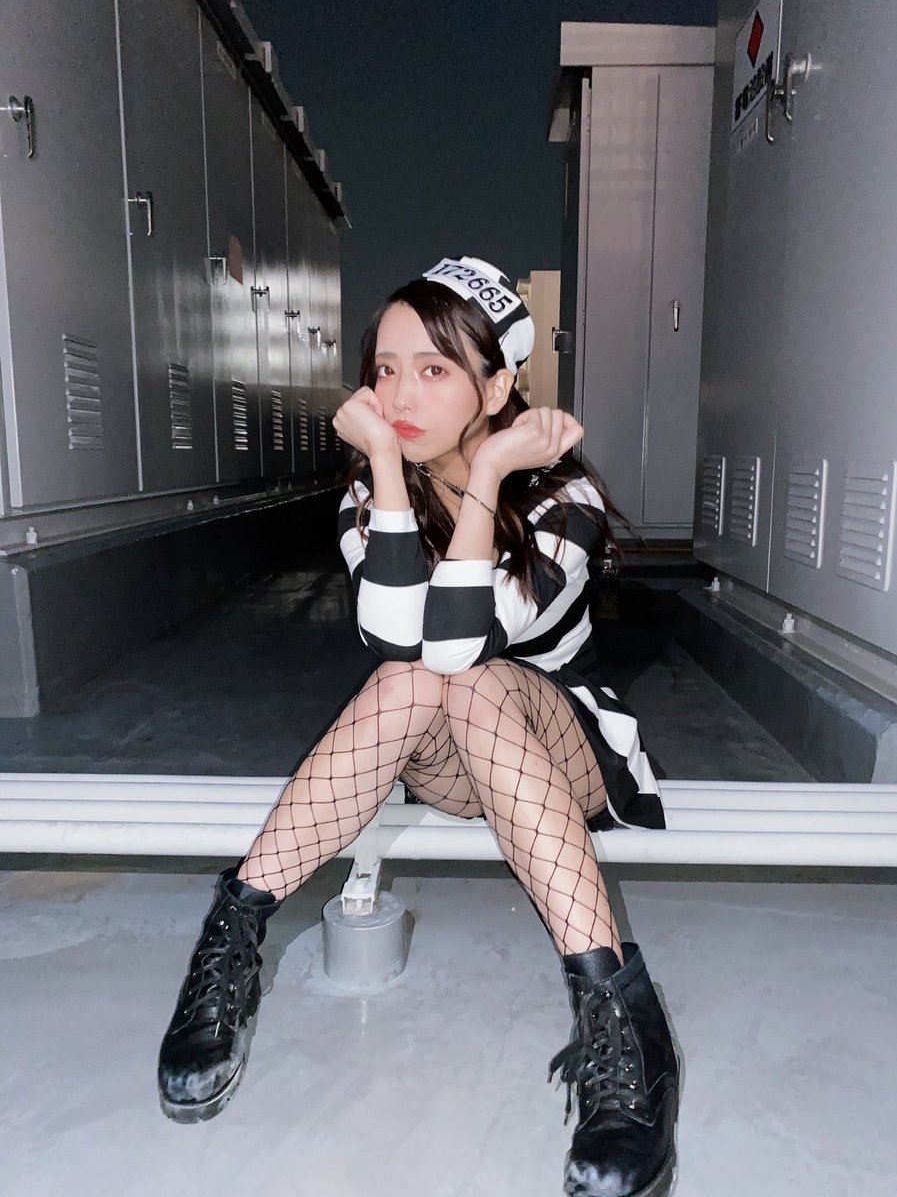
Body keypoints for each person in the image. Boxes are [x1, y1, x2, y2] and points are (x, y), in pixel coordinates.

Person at [156, 256, 679, 1197]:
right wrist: (391, 475)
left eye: (435, 369)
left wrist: (490, 471)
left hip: (564, 750)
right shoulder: (372, 495)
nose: (399, 394)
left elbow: (465, 642)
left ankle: (622, 1027)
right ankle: (229, 945)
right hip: (444, 756)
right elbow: (396, 640)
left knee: (470, 682)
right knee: (410, 680)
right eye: (385, 368)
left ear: (497, 387)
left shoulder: (564, 501)